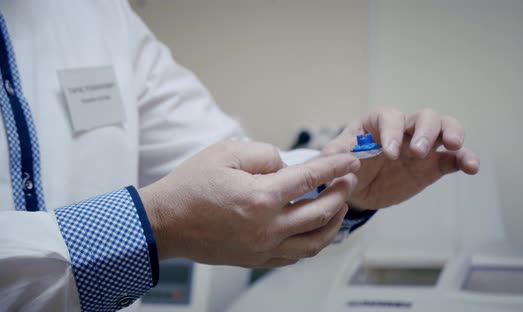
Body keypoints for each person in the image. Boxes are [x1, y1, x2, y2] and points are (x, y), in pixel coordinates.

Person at [0, 1, 480, 311]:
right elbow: (179, 212)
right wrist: (153, 226)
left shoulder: (94, 14)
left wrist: (341, 179)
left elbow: (230, 163)